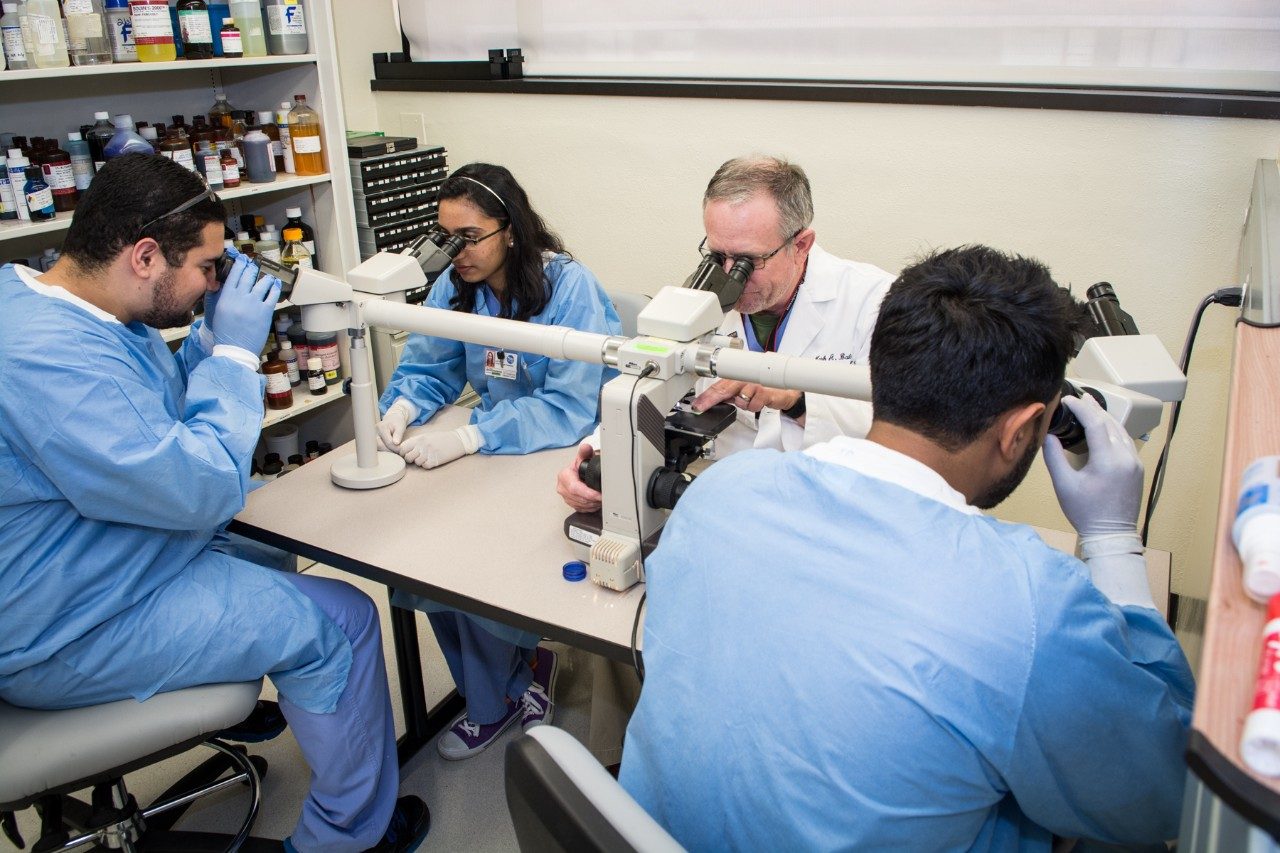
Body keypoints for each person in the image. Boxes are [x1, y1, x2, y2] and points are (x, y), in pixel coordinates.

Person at [620, 245, 1195, 850]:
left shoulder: (720, 495)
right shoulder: (1027, 604)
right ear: (1022, 429)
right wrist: (1112, 541)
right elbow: (1169, 794)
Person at [0, 154, 428, 853]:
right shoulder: (48, 359)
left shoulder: (60, 302)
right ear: (144, 255)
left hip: (93, 552)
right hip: (67, 623)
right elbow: (196, 484)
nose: (210, 283)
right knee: (345, 619)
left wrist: (203, 341)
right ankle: (346, 839)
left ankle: (253, 673)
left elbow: (146, 419)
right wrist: (232, 358)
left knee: (277, 524)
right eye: (205, 267)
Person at [377, 163, 621, 760]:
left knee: (477, 563)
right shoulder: (454, 286)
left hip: (561, 454)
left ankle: (498, 699)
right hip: (491, 444)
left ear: (510, 229)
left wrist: (471, 438)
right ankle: (509, 671)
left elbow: (570, 406)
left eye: (470, 236)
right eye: (445, 237)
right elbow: (429, 365)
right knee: (424, 556)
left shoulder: (569, 287)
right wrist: (403, 404)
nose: (456, 252)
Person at [557, 154, 893, 514]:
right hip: (721, 495)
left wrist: (796, 399)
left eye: (750, 260)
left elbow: (902, 436)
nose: (732, 275)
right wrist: (600, 459)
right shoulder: (698, 303)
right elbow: (647, 383)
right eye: (718, 255)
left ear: (801, 244)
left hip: (824, 503)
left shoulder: (875, 302)